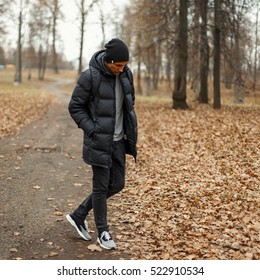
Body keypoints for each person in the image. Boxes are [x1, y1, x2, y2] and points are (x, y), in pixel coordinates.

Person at [66, 38, 138, 250]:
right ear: (108, 60)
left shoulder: (126, 74)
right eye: (118, 65)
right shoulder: (90, 77)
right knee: (100, 186)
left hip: (118, 141)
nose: (121, 69)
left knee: (117, 184)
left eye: (124, 65)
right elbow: (75, 106)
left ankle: (79, 215)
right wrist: (92, 130)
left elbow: (129, 103)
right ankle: (103, 232)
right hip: (99, 141)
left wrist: (128, 131)